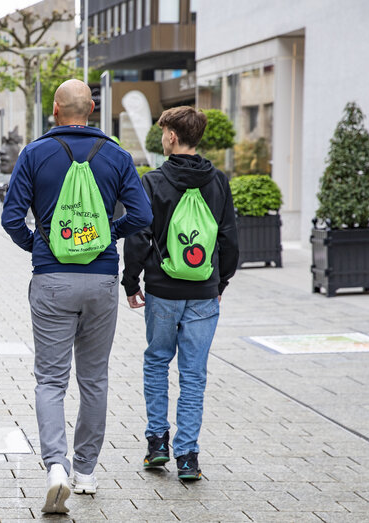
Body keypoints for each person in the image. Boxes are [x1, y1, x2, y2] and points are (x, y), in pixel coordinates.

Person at [0, 79, 153, 514]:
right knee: (94, 378)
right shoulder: (116, 155)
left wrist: (41, 244)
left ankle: (56, 467)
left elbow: (11, 218)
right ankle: (85, 471)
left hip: (52, 280)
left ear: (55, 109)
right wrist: (108, 234)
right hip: (101, 279)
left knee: (51, 380)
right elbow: (142, 214)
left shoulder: (34, 154)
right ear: (92, 109)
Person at [122, 106, 239, 481]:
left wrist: (131, 281)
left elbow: (139, 235)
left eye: (163, 133)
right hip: (203, 291)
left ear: (172, 137)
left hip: (162, 290)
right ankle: (188, 456)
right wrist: (219, 283)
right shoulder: (218, 182)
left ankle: (157, 443)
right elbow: (229, 239)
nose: (162, 138)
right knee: (193, 374)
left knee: (157, 361)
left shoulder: (153, 182)